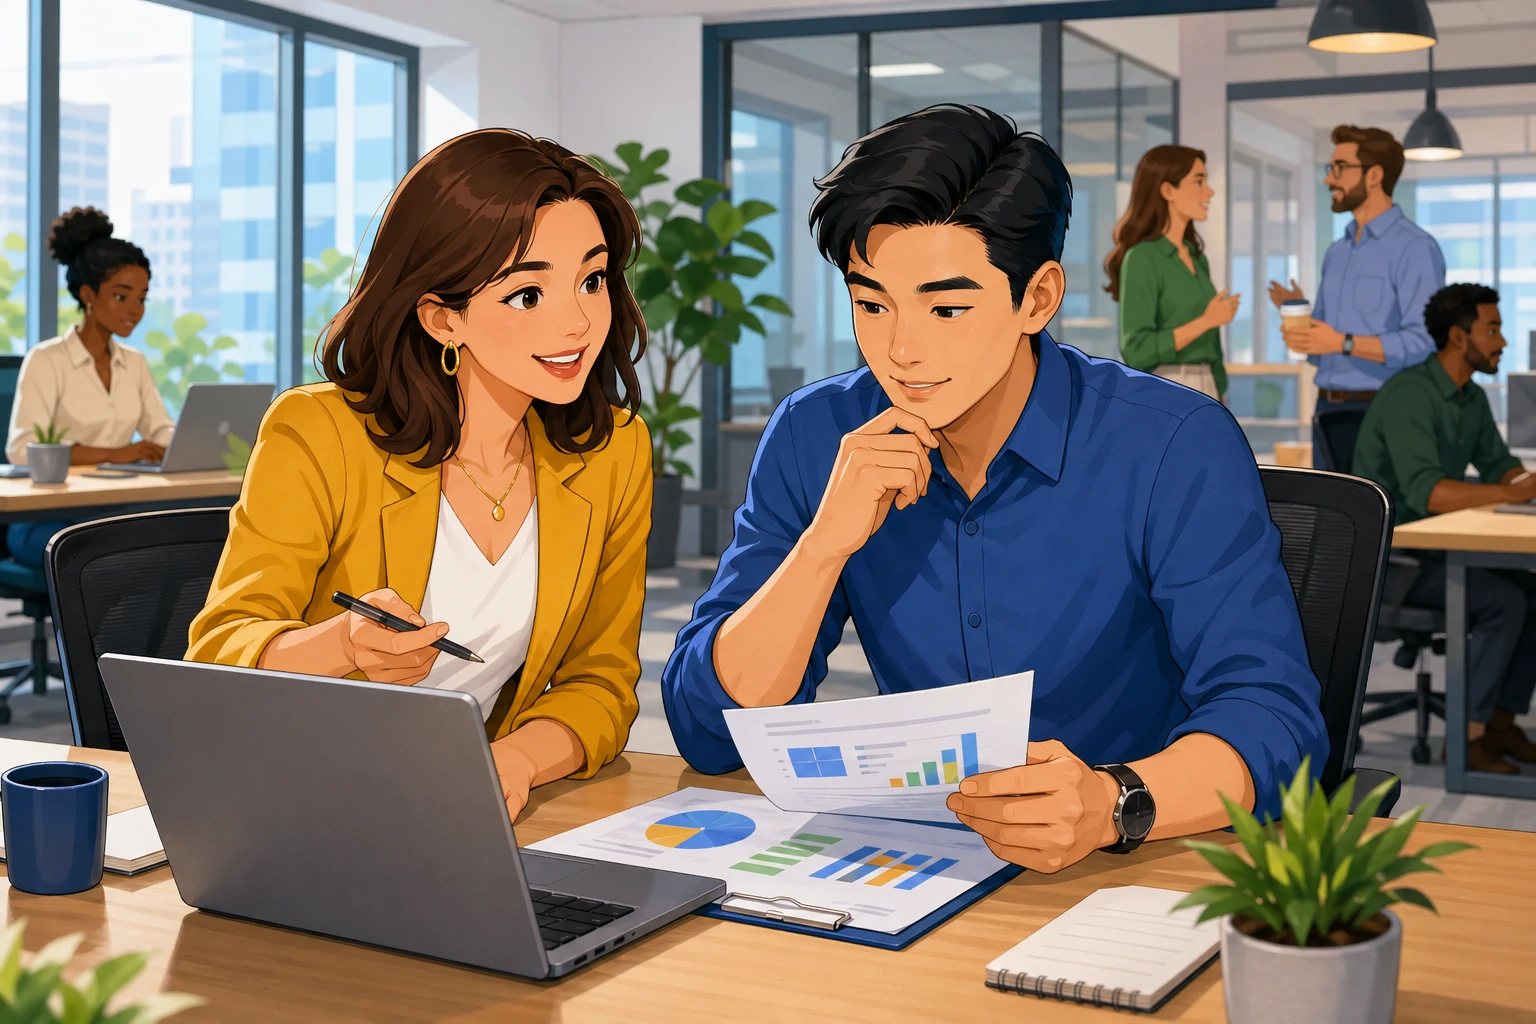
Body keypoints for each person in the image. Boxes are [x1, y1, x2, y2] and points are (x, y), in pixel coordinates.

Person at [661, 104, 1326, 875]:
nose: (901, 351)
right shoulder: (818, 434)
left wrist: (1114, 803)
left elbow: (1275, 719)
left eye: (947, 308)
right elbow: (709, 732)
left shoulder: (1171, 444)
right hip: (924, 865)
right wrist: (822, 548)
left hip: (1135, 864)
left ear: (1036, 300)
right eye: (871, 304)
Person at [187, 128, 653, 820]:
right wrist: (342, 645)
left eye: (592, 280)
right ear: (441, 318)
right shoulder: (320, 433)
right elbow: (218, 656)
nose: (579, 322)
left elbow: (601, 681)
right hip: (305, 801)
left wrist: (514, 760)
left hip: (467, 810)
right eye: (528, 295)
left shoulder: (612, 451)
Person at [1352, 283, 1536, 774]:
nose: (1501, 341)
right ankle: (1465, 742)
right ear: (1458, 337)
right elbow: (1428, 493)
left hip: (1437, 551)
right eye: (1492, 330)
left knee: (1532, 590)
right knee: (1507, 601)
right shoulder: (1410, 395)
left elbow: (1500, 466)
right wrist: (1511, 492)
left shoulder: (1469, 397)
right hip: (1395, 562)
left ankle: (1498, 726)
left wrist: (1525, 482)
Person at [3, 207, 175, 565]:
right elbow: (21, 450)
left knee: (173, 545)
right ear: (87, 294)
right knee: (115, 558)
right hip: (45, 519)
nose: (135, 309)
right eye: (121, 296)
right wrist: (114, 454)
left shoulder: (134, 362)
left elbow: (159, 429)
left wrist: (192, 442)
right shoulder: (46, 359)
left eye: (142, 298)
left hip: (111, 509)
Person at [1268, 125, 1445, 468]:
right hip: (1327, 410)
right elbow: (1323, 350)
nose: (1329, 180)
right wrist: (1301, 320)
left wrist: (1342, 342)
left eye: (1339, 169)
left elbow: (1424, 341)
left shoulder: (1415, 248)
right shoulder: (1338, 252)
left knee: (1380, 516)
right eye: (1329, 169)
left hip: (1385, 409)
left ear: (1375, 175)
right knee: (1332, 515)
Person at [1106, 145, 1240, 401]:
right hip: (1167, 386)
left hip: (1208, 387)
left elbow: (1212, 344)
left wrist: (1220, 391)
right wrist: (1206, 321)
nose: (1209, 192)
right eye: (1198, 181)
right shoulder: (1142, 258)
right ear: (1168, 190)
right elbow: (1136, 350)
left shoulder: (1198, 259)